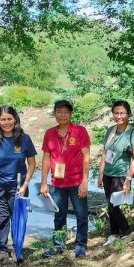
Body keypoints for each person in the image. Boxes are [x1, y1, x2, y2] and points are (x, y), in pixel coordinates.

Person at [0, 105, 37, 265]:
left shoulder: (24, 139)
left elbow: (32, 163)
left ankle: (17, 250)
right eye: (3, 119)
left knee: (19, 219)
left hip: (19, 188)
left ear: (15, 119)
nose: (6, 122)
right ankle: (2, 250)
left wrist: (26, 184)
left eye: (9, 119)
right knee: (1, 219)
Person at [40, 100, 91, 258]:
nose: (63, 115)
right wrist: (43, 182)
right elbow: (46, 159)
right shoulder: (50, 133)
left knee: (81, 215)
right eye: (59, 112)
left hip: (76, 182)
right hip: (57, 183)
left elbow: (86, 157)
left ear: (71, 114)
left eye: (66, 112)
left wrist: (84, 181)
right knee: (59, 215)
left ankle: (80, 246)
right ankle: (59, 246)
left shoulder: (80, 131)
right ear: (54, 113)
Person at [98, 100, 134, 246]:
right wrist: (100, 174)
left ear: (128, 114)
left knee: (113, 206)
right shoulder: (110, 130)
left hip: (121, 173)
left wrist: (128, 179)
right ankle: (114, 234)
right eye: (116, 113)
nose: (119, 116)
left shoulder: (133, 133)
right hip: (108, 174)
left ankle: (128, 232)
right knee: (111, 206)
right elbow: (105, 153)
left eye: (122, 113)